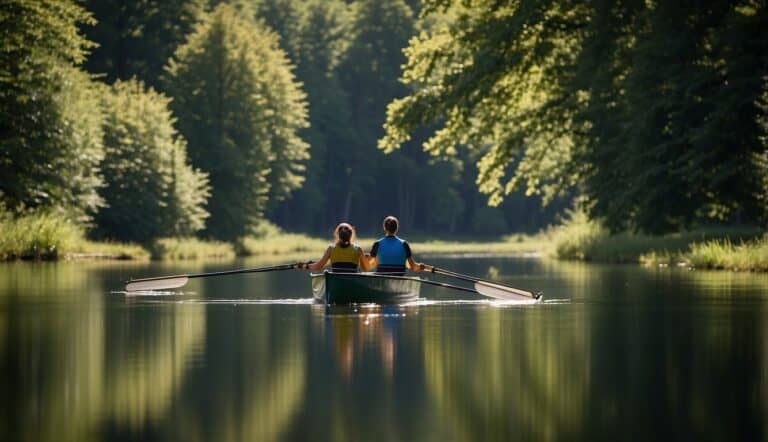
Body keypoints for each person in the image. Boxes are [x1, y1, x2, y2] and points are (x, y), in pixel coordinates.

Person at [297, 222, 369, 273]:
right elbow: (366, 268)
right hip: (353, 280)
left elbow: (318, 266)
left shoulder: (331, 248)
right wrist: (364, 259)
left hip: (336, 279)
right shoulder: (358, 249)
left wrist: (305, 266)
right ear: (351, 234)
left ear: (337, 234)